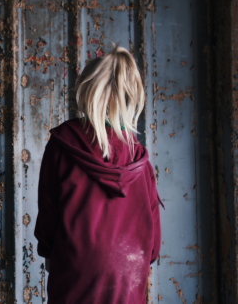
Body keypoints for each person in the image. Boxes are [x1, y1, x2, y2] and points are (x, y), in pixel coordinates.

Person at [34, 46, 163, 303]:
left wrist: (48, 252)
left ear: (84, 90)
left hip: (75, 268)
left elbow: (49, 210)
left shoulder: (63, 143)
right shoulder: (138, 156)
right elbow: (153, 232)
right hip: (128, 272)